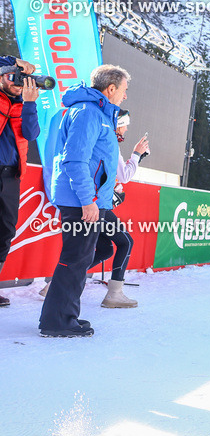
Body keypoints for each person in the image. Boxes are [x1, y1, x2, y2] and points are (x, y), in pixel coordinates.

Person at [38, 65, 128, 337]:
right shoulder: (89, 113)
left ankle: (61, 317)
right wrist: (88, 199)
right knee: (76, 259)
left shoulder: (98, 114)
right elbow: (75, 160)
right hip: (81, 201)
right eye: (124, 90)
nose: (125, 97)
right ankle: (58, 322)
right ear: (110, 89)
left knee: (81, 257)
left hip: (88, 200)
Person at [91, 109, 148, 308]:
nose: (126, 129)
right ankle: (114, 294)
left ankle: (57, 283)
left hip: (93, 201)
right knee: (126, 242)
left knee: (105, 249)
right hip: (98, 203)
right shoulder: (110, 141)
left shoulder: (99, 135)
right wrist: (137, 155)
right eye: (125, 125)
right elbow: (124, 175)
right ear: (118, 124)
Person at [0, 56, 40, 307]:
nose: (18, 83)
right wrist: (14, 60)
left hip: (11, 176)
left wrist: (29, 104)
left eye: (22, 79)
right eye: (13, 77)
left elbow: (31, 133)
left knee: (5, 232)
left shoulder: (22, 104)